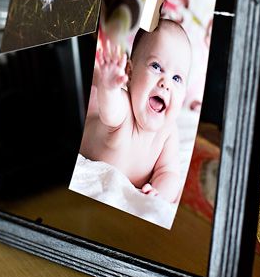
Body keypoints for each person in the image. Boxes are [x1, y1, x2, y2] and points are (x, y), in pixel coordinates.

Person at [80, 18, 192, 203]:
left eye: (177, 78)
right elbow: (109, 111)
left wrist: (158, 194)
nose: (166, 83)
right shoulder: (124, 105)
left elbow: (169, 174)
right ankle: (99, 75)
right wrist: (108, 87)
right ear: (130, 73)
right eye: (156, 66)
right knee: (91, 88)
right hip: (93, 110)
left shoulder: (168, 133)